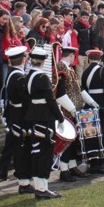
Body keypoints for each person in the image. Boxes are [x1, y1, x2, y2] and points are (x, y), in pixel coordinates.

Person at [23, 46, 65, 199]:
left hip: (33, 116)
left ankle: (40, 187)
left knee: (37, 152)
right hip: (44, 118)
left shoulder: (28, 76)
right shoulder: (42, 78)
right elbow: (51, 100)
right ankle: (42, 189)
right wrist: (60, 118)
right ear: (43, 62)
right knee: (45, 153)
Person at [0, 46, 32, 190]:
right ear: (23, 60)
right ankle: (19, 173)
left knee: (10, 143)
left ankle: (2, 170)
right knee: (19, 146)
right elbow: (25, 99)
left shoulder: (13, 73)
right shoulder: (20, 77)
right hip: (19, 115)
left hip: (13, 113)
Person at [54, 47, 87, 181]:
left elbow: (78, 89)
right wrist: (72, 109)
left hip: (74, 110)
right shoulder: (60, 67)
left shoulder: (69, 69)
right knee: (67, 142)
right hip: (67, 111)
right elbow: (60, 93)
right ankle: (64, 169)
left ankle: (72, 166)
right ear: (72, 55)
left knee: (73, 141)